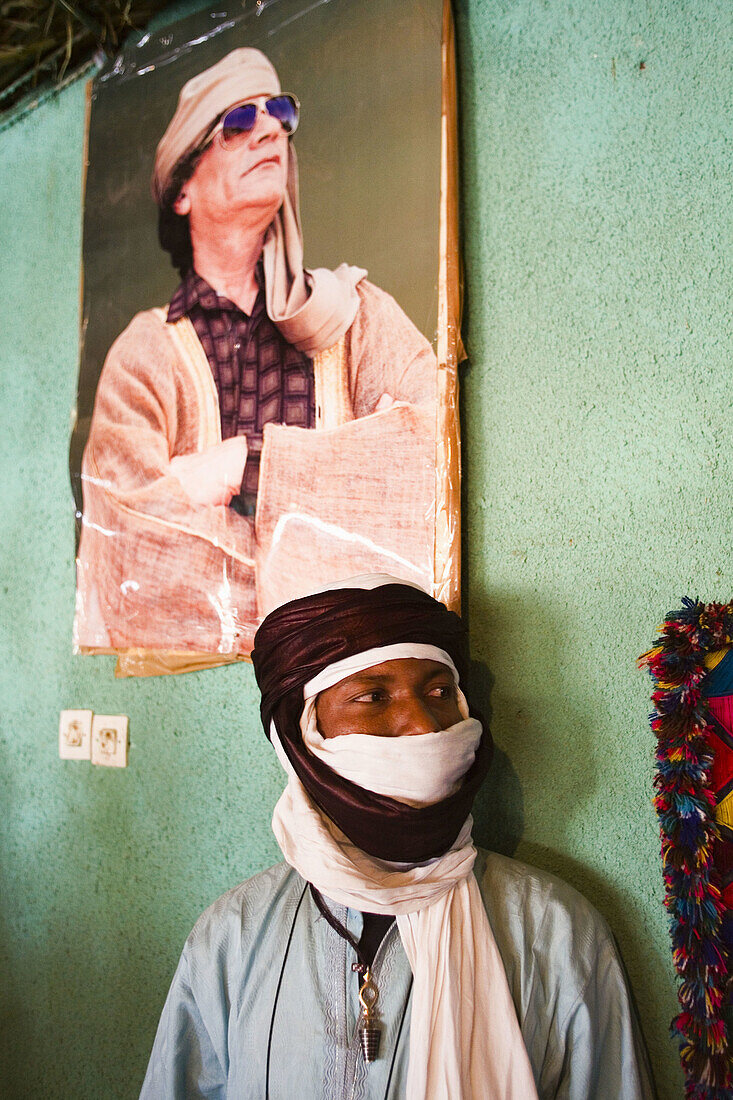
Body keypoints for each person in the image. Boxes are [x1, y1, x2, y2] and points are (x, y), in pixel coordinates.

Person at [140, 575, 656, 1099]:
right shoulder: (233, 936)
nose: (422, 725)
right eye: (373, 697)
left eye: (437, 691)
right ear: (301, 735)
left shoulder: (555, 933)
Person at [74, 49, 438, 657]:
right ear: (183, 188)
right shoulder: (143, 354)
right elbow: (130, 557)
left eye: (280, 113)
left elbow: (429, 459)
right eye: (239, 122)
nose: (270, 128)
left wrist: (239, 467)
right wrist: (338, 554)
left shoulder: (357, 314)